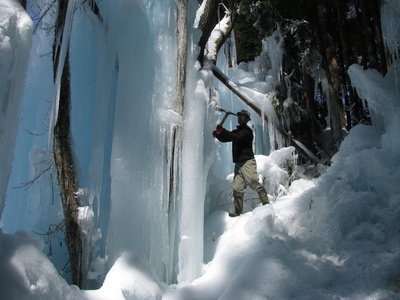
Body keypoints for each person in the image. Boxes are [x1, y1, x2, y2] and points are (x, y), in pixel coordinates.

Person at [213, 109, 270, 217]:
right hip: (238, 163)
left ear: (247, 119)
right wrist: (218, 134)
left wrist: (222, 130)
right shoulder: (237, 131)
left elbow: (235, 137)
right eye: (239, 116)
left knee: (253, 181)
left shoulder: (247, 131)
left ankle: (267, 204)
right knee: (237, 188)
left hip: (247, 161)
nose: (240, 118)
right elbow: (226, 138)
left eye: (243, 116)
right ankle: (238, 211)